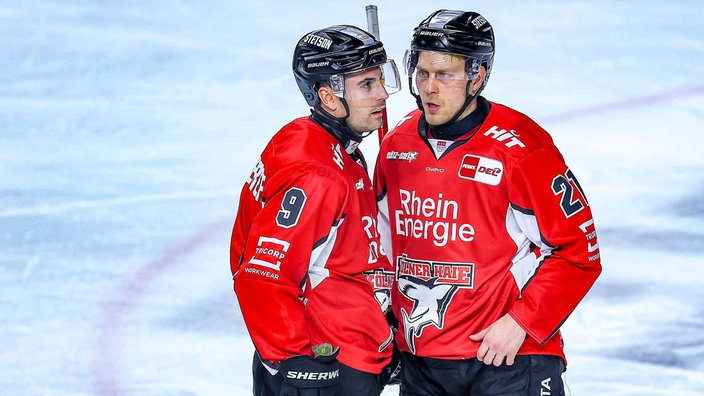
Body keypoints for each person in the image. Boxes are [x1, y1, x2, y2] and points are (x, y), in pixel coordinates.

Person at [373, 9, 602, 395]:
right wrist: (384, 322)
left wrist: (520, 323)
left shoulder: (521, 149)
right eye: (423, 72)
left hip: (509, 361)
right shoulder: (397, 146)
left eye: (444, 75)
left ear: (477, 76)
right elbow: (379, 246)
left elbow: (579, 250)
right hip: (423, 363)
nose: (429, 87)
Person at [230, 24, 401, 396]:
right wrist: (295, 363)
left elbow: (342, 254)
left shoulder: (317, 138)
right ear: (328, 96)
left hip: (341, 352)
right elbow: (261, 275)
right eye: (367, 86)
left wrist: (382, 324)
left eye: (381, 80)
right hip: (324, 365)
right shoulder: (318, 174)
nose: (383, 95)